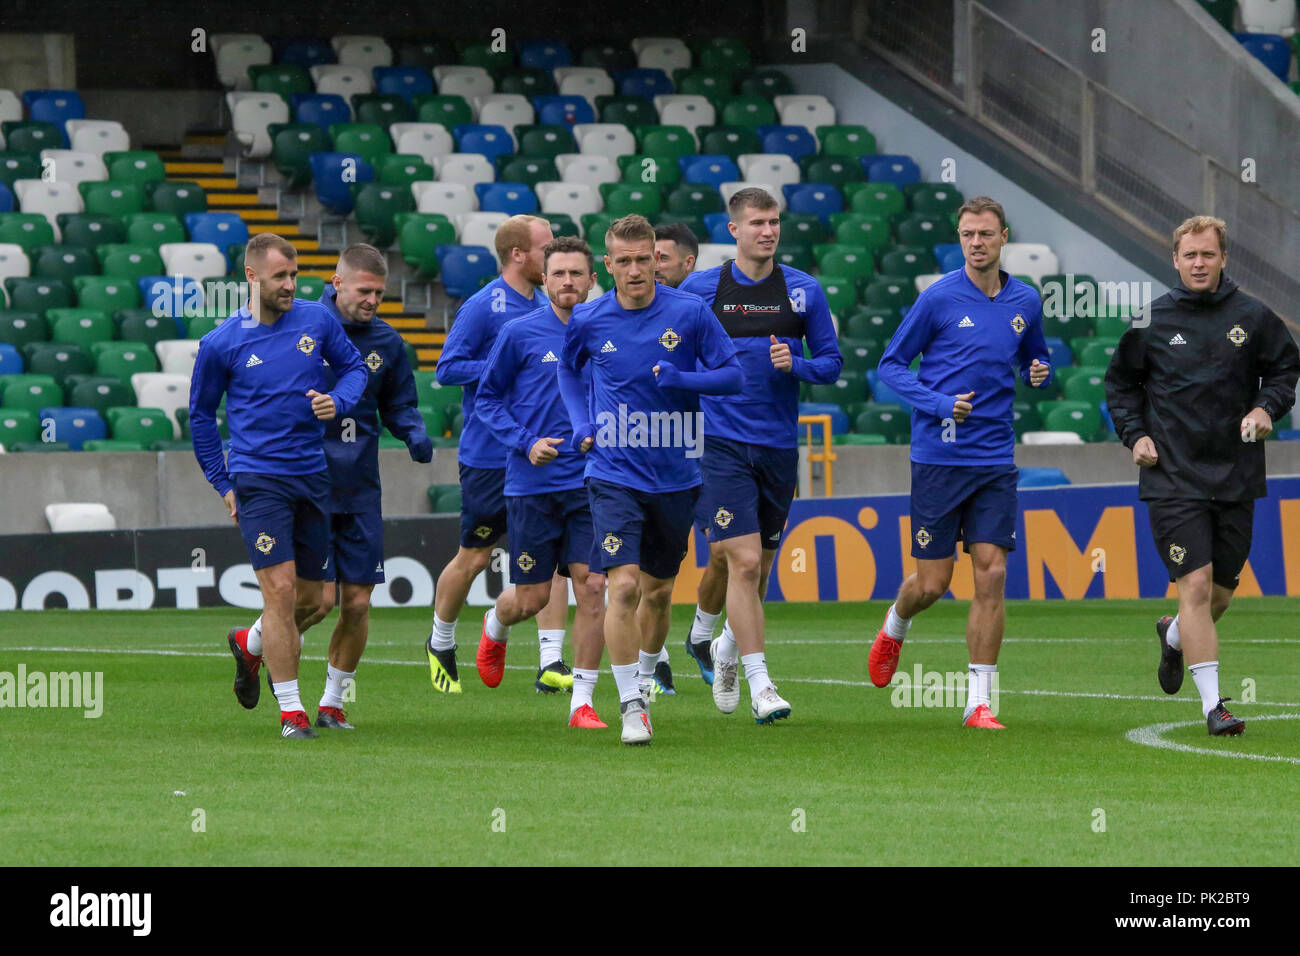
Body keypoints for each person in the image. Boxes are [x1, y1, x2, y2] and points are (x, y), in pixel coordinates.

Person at [1105, 215, 1298, 736]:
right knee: (1193, 584)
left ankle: (1173, 639)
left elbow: (1285, 371)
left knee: (1218, 596)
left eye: (1207, 255)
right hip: (1173, 477)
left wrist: (1266, 409)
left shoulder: (1254, 317)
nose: (1198, 263)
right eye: (1189, 255)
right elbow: (1120, 385)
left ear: (1223, 258)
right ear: (1174, 259)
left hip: (1236, 474)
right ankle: (1215, 707)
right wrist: (1134, 436)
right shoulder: (1151, 321)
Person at [227, 244, 433, 731]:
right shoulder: (298, 326)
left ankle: (330, 700)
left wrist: (412, 432)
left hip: (359, 486)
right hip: (304, 481)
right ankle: (259, 649)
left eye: (380, 293)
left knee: (357, 602)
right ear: (337, 284)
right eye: (365, 290)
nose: (373, 300)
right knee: (313, 602)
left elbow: (398, 404)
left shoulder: (387, 341)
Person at [558, 214, 742, 744]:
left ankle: (645, 672)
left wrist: (686, 379)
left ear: (656, 260)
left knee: (658, 593)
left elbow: (732, 375)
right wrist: (580, 423)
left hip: (677, 473)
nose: (636, 270)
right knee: (621, 586)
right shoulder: (589, 320)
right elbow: (568, 371)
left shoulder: (690, 312)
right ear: (607, 265)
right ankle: (630, 704)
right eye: (625, 261)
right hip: (613, 472)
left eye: (646, 259)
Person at [870, 196, 1052, 730]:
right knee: (932, 584)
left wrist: (1038, 369)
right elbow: (891, 365)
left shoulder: (1026, 299)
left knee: (991, 572)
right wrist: (938, 402)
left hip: (995, 456)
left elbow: (1031, 354)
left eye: (986, 234)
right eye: (968, 234)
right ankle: (896, 624)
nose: (976, 242)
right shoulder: (939, 298)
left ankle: (978, 703)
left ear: (1004, 237)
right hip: (939, 457)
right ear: (960, 238)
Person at [192, 233, 367, 739]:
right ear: (251, 277)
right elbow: (202, 418)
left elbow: (354, 369)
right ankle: (292, 713)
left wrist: (339, 401)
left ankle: (250, 645)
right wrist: (222, 482)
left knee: (318, 602)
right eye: (280, 278)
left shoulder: (317, 319)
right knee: (281, 591)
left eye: (294, 276)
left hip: (312, 475)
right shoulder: (222, 342)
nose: (291, 285)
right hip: (258, 479)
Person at [677, 187, 842, 723]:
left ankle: (725, 645)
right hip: (719, 444)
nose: (767, 231)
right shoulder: (701, 291)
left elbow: (833, 364)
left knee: (760, 567)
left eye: (774, 222)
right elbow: (671, 355)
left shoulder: (804, 291)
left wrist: (796, 363)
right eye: (756, 223)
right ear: (733, 231)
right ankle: (761, 683)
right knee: (743, 560)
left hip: (777, 446)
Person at [424, 215, 574, 695]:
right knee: (474, 555)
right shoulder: (484, 306)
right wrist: (505, 362)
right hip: (491, 453)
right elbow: (447, 367)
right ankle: (441, 639)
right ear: (518, 255)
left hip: (543, 454)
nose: (554, 258)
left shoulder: (548, 305)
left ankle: (551, 659)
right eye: (545, 248)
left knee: (551, 561)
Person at [475, 236, 609, 727]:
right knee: (531, 599)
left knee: (593, 586)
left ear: (592, 279)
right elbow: (487, 399)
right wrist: (526, 441)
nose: (568, 282)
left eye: (577, 273)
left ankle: (583, 703)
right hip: (532, 484)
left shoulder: (608, 331)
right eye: (558, 274)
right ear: (545, 279)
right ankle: (495, 624)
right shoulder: (518, 332)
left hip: (593, 482)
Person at [654, 222, 698, 290]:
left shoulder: (706, 299)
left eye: (663, 258)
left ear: (688, 263)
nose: (654, 268)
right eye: (651, 258)